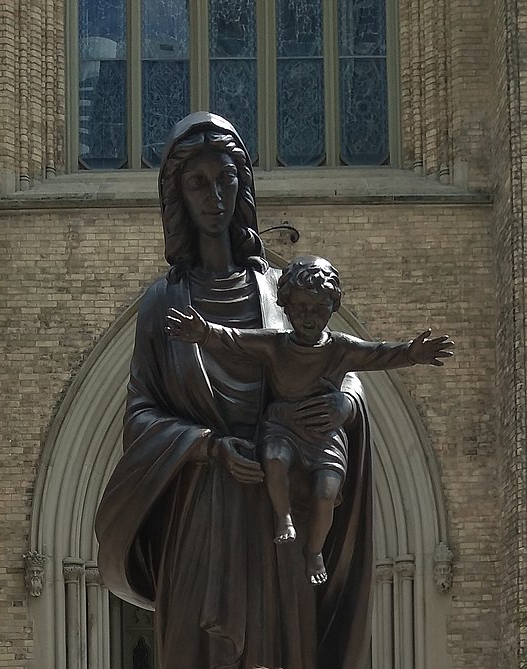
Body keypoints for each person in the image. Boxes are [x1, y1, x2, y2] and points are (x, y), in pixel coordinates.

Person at [95, 113, 375, 669]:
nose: (214, 195)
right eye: (197, 182)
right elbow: (139, 414)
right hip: (200, 512)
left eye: (225, 179)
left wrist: (345, 402)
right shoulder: (161, 304)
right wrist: (208, 447)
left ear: (241, 185)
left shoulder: (278, 290)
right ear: (178, 193)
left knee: (279, 647)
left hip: (278, 514)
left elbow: (335, 364)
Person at [166, 255, 453, 586]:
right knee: (274, 458)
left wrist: (410, 354)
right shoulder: (274, 344)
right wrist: (203, 332)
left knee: (327, 491)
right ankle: (283, 516)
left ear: (332, 308)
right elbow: (234, 340)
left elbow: (377, 353)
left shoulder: (340, 349)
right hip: (281, 427)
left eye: (318, 309)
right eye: (300, 307)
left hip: (323, 437)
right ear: (286, 307)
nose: (308, 316)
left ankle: (314, 550)